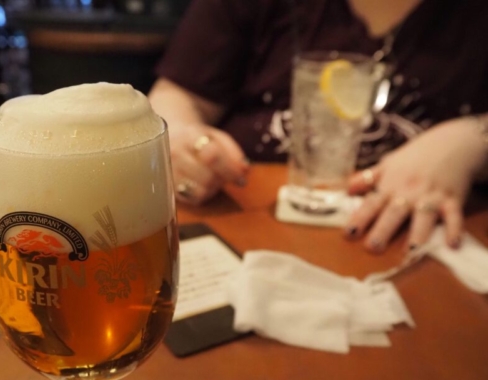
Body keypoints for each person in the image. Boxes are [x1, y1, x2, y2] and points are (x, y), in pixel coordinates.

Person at [148, 0, 488, 253]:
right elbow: (179, 94)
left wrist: (472, 138)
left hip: (413, 247)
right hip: (246, 232)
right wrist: (179, 138)